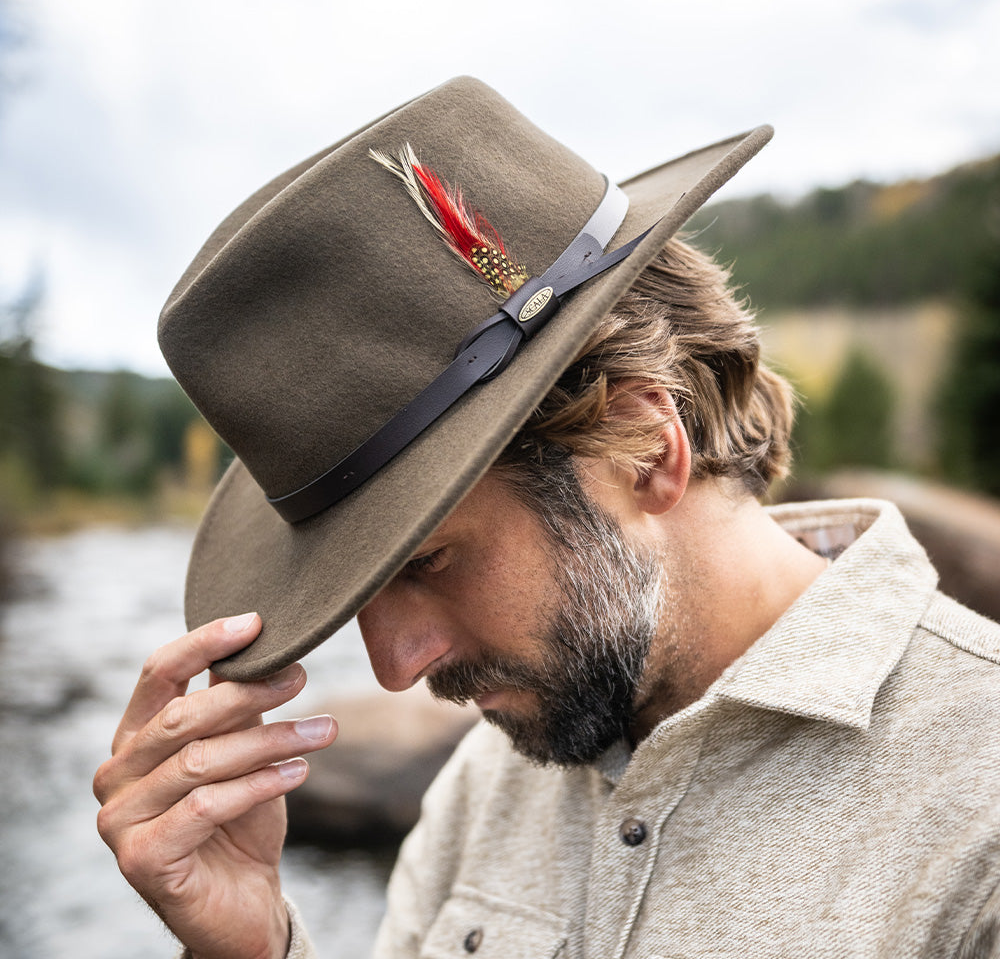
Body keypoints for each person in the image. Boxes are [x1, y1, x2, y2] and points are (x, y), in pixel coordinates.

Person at [94, 77, 1000, 959]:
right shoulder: (487, 785)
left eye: (426, 560)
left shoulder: (977, 803)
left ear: (645, 449)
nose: (395, 668)